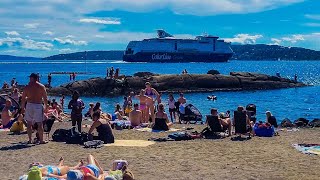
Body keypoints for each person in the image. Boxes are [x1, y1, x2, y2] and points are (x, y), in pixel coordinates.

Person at [21, 73, 48, 144]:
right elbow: (45, 98)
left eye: (30, 78)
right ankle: (41, 140)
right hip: (38, 105)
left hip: (29, 105)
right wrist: (46, 106)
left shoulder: (27, 87)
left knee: (29, 123)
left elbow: (23, 98)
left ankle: (30, 140)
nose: (29, 79)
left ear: (32, 78)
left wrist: (22, 107)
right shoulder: (41, 86)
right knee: (39, 123)